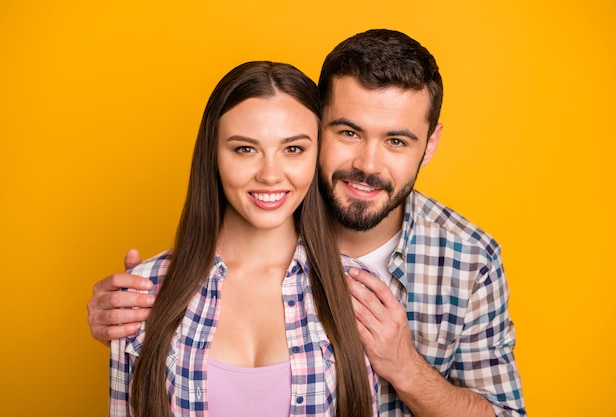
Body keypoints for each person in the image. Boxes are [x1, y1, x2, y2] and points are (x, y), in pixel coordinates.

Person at [90, 30, 526, 416]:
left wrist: (405, 367)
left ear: (429, 144)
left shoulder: (470, 259)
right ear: (317, 127)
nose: (367, 164)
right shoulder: (275, 193)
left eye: (396, 141)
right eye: (349, 133)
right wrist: (135, 309)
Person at [108, 61, 378, 417]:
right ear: (213, 155)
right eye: (245, 149)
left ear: (317, 155)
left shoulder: (356, 291)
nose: (269, 174)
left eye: (293, 149)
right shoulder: (143, 291)